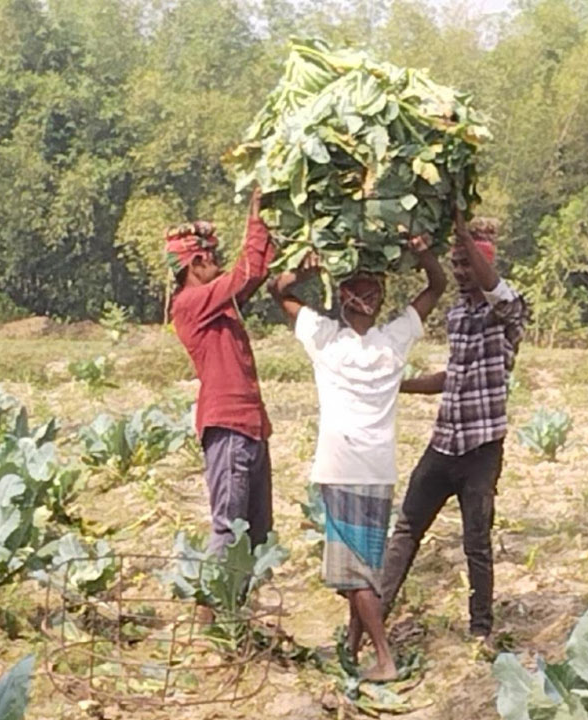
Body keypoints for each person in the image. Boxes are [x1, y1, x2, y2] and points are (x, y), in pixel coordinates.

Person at [269, 236, 446, 681]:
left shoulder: (326, 340)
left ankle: (384, 658)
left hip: (341, 466)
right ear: (379, 300)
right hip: (379, 469)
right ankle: (352, 647)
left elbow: (278, 292)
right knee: (364, 563)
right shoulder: (394, 340)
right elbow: (437, 285)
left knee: (355, 574)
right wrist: (422, 251)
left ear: (343, 299)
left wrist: (307, 270)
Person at [381, 212, 528, 642]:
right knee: (406, 529)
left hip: (482, 448)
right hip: (444, 442)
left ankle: (481, 631)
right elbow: (453, 376)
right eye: (457, 264)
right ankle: (374, 616)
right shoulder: (458, 313)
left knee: (476, 542)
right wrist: (397, 385)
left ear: (486, 262)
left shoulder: (509, 311)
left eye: (468, 263)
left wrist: (463, 233)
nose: (462, 272)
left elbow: (498, 292)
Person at [168, 188, 275, 554]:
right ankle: (214, 592)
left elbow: (256, 273)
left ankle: (241, 592)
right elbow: (246, 272)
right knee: (229, 528)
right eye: (212, 257)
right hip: (228, 427)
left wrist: (273, 227)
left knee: (258, 534)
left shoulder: (217, 303)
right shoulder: (190, 303)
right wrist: (255, 214)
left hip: (251, 425)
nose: (218, 263)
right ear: (195, 264)